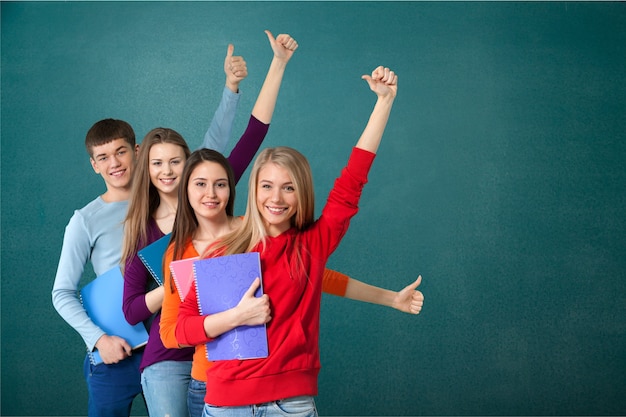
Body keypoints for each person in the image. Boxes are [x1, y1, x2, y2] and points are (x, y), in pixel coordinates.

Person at [175, 65, 402, 417]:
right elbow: (182, 330)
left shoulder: (312, 244)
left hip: (289, 405)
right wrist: (236, 317)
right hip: (225, 405)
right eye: (267, 186)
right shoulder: (224, 250)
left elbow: (352, 182)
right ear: (253, 190)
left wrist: (383, 103)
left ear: (301, 194)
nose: (276, 198)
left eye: (288, 187)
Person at [51, 44, 246, 417]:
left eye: (121, 152)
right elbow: (62, 292)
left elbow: (215, 147)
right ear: (93, 165)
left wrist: (230, 88)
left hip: (181, 341)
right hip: (119, 350)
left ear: (138, 151)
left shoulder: (184, 196)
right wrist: (97, 340)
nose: (115, 164)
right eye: (103, 158)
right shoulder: (86, 219)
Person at [120, 31, 299, 417]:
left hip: (226, 353)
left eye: (176, 162)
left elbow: (255, 133)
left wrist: (277, 64)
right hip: (169, 356)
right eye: (156, 163)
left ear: (190, 167)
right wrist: (182, 282)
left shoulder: (211, 195)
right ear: (145, 170)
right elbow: (132, 311)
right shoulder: (145, 233)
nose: (167, 171)